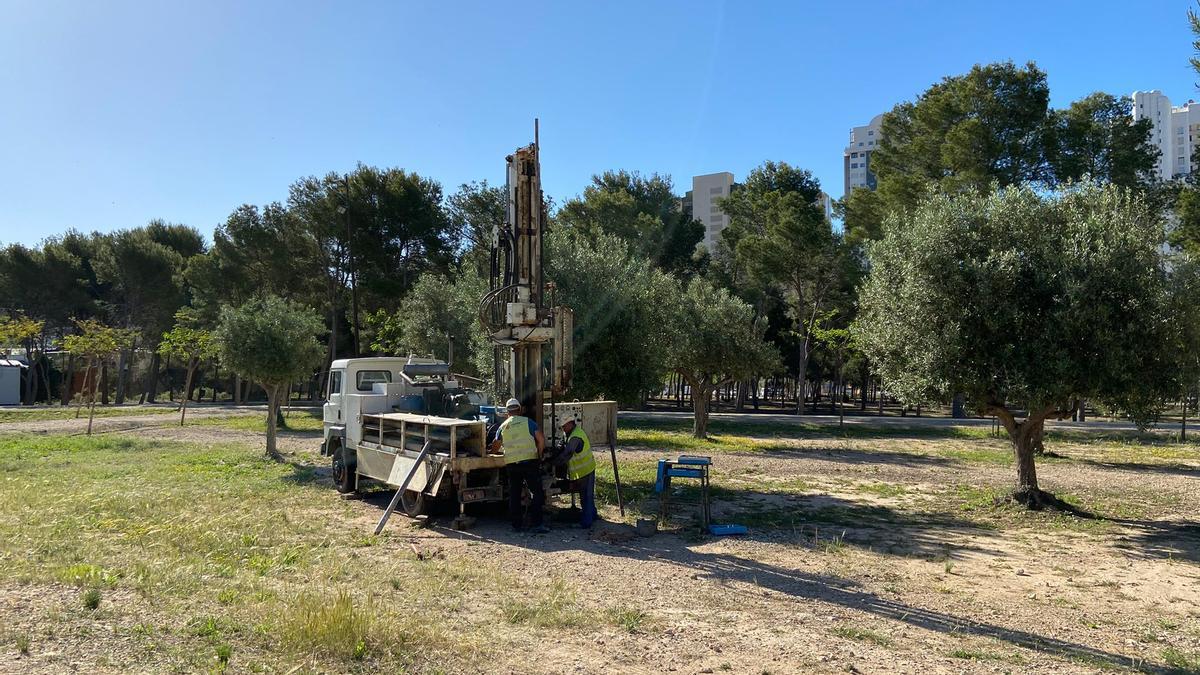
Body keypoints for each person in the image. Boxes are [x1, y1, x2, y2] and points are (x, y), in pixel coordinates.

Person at [491, 398, 548, 533]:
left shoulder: (503, 426)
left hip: (513, 466)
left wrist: (491, 451)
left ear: (507, 412)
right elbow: (541, 439)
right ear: (520, 409)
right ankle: (537, 524)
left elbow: (496, 445)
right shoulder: (529, 422)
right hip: (530, 463)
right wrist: (539, 454)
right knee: (536, 493)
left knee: (515, 495)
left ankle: (517, 525)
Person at [561, 415, 597, 529]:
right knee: (587, 495)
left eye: (564, 426)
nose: (563, 428)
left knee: (586, 496)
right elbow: (564, 445)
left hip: (586, 469)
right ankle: (592, 515)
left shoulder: (576, 436)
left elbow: (567, 454)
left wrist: (552, 462)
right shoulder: (571, 433)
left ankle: (586, 523)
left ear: (570, 423)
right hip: (583, 471)